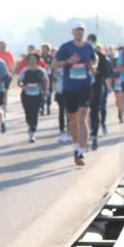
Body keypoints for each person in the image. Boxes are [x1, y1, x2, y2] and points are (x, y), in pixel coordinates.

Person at [51, 22, 97, 166]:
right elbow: (54, 65)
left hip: (85, 86)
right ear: (72, 32)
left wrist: (93, 66)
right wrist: (68, 61)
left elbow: (94, 59)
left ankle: (81, 152)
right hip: (69, 88)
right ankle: (76, 146)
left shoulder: (88, 47)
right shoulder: (65, 47)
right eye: (77, 30)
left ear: (84, 32)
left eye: (81, 30)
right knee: (72, 119)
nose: (79, 32)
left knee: (82, 118)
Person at [86, 34, 113, 151]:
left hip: (96, 88)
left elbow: (105, 73)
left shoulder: (101, 57)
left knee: (95, 111)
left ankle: (94, 135)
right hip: (83, 88)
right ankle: (85, 136)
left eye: (92, 42)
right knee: (84, 113)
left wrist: (96, 72)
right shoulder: (82, 55)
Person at [17, 52, 49, 142]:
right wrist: (23, 86)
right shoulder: (24, 70)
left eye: (34, 59)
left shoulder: (41, 70)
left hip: (38, 94)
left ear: (37, 60)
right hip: (26, 94)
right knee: (28, 112)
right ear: (27, 60)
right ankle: (29, 125)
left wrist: (46, 89)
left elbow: (46, 80)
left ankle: (32, 133)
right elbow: (19, 82)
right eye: (30, 59)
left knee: (35, 112)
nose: (32, 61)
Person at [113, 45, 124, 121]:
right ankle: (120, 113)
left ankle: (121, 112)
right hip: (123, 80)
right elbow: (118, 68)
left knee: (123, 99)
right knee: (122, 99)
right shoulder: (122, 55)